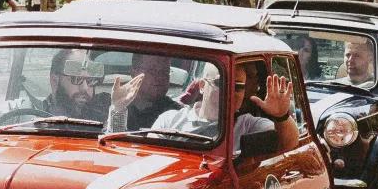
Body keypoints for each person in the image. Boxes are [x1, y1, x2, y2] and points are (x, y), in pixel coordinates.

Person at [108, 62, 297, 153]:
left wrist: (281, 116)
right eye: (220, 83)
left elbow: (288, 145)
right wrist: (118, 109)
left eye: (238, 87)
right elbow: (146, 157)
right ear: (202, 85)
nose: (230, 93)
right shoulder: (171, 119)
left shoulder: (249, 125)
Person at [103, 52, 181, 130]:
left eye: (165, 71)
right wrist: (118, 108)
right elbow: (105, 140)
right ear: (134, 72)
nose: (159, 77)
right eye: (152, 71)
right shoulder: (104, 104)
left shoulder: (177, 114)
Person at [42, 49, 112, 122]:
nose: (85, 88)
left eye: (90, 80)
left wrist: (118, 109)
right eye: (76, 79)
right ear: (54, 81)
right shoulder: (39, 119)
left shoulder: (104, 109)